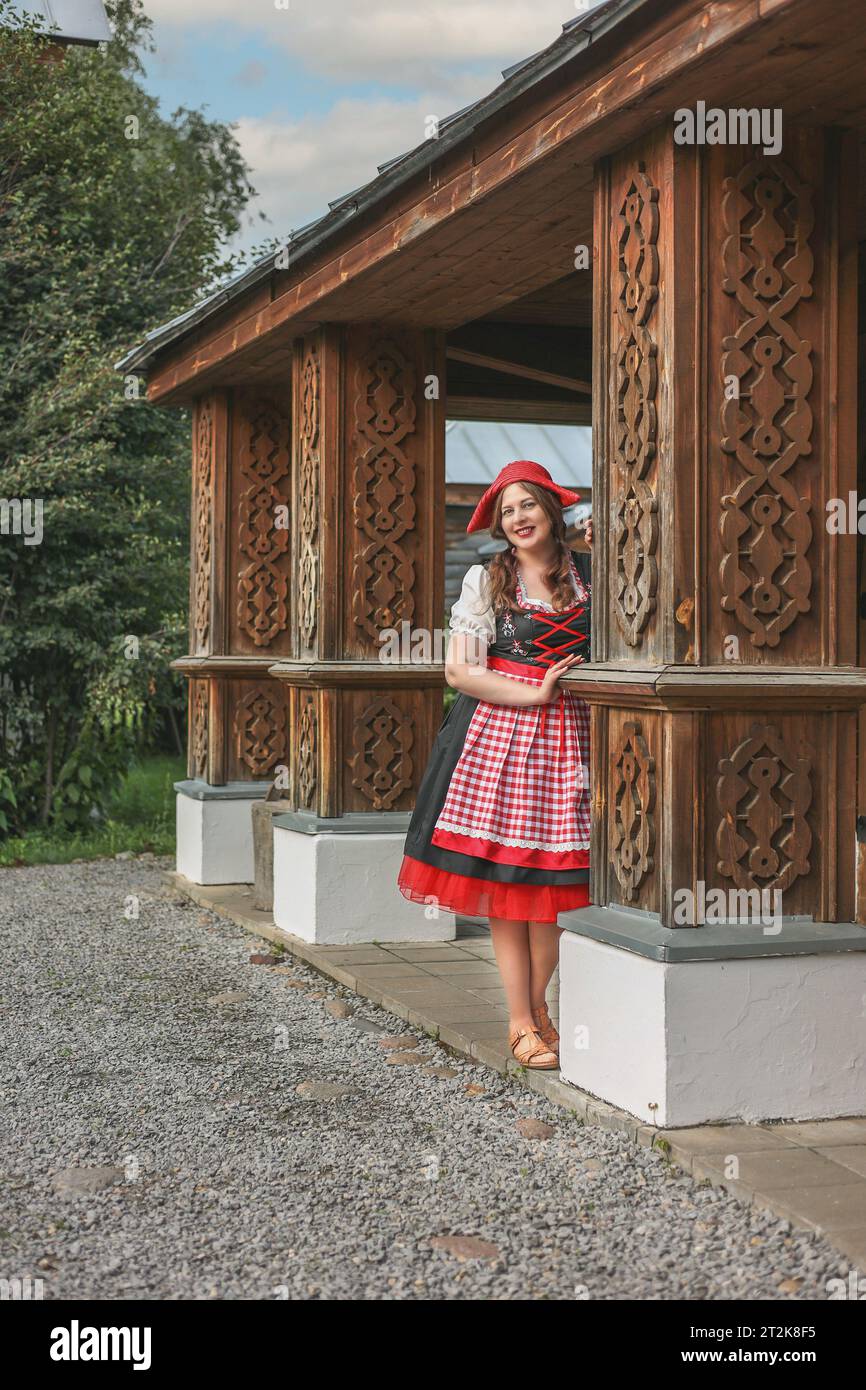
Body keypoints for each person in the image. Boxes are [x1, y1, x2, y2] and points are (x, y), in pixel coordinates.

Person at [397, 460, 592, 1071]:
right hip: (502, 738)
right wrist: (534, 692)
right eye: (507, 511)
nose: (518, 518)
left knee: (558, 886)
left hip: (573, 740)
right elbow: (460, 671)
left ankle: (541, 1010)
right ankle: (519, 1019)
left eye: (528, 505)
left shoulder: (590, 572)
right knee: (509, 886)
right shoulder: (487, 579)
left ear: (551, 510)